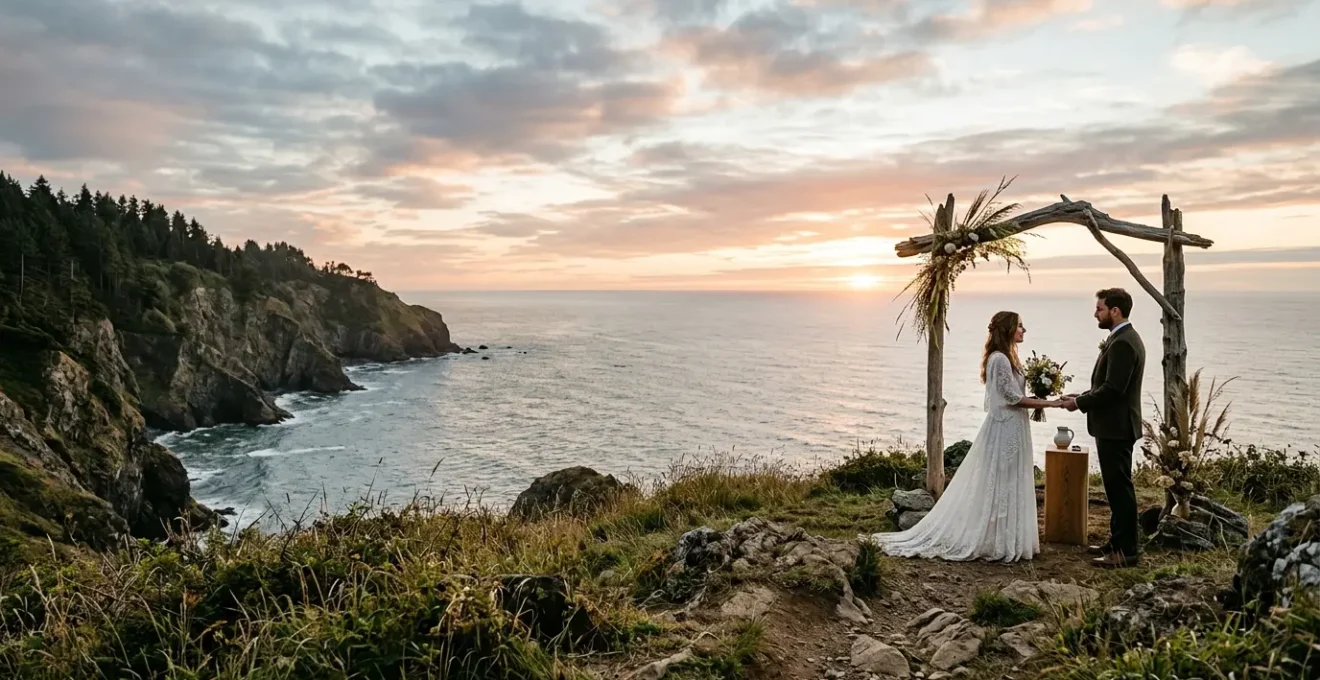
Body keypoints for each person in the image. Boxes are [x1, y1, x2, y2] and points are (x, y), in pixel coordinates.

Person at [862, 311, 1062, 562]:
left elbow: (1012, 392)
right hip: (1006, 427)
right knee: (1001, 480)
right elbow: (1012, 398)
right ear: (1008, 329)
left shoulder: (1010, 357)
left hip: (1016, 426)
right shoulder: (999, 359)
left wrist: (1043, 393)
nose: (1024, 330)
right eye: (1020, 326)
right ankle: (996, 539)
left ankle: (1007, 535)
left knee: (1011, 479)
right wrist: (1051, 404)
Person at [1063, 288, 1146, 569]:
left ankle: (1125, 552)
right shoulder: (1122, 338)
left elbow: (1113, 390)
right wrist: (1080, 396)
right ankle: (1116, 542)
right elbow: (1107, 385)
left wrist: (1081, 404)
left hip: (1116, 427)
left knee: (1120, 489)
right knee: (1115, 488)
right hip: (1115, 426)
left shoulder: (1123, 342)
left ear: (1115, 311)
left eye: (1099, 308)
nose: (1095, 313)